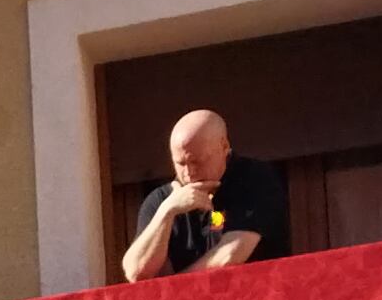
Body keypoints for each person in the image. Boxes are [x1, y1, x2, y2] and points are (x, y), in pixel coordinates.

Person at [120, 108, 290, 281]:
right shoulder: (162, 200)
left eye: (197, 161)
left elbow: (229, 256)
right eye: (180, 163)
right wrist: (167, 212)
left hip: (256, 292)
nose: (189, 172)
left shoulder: (253, 178)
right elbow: (135, 272)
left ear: (224, 146)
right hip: (190, 298)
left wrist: (177, 289)